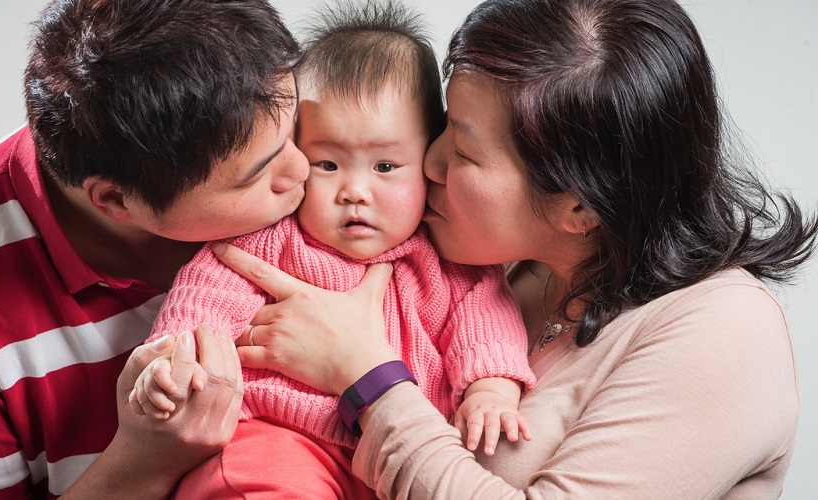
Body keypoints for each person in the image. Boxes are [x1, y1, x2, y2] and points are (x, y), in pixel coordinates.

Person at [205, 0, 818, 497]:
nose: (430, 164)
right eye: (439, 129)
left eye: (464, 153)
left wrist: (367, 376)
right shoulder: (496, 270)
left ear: (578, 206)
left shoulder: (724, 333)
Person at [0, 0, 306, 497]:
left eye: (298, 130)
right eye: (260, 174)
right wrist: (145, 460)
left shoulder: (334, 165)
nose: (307, 169)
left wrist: (367, 366)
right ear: (116, 200)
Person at [130, 2, 535, 496]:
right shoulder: (270, 239)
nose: (355, 191)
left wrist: (492, 389)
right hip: (279, 436)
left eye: (385, 167)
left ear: (429, 155)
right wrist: (175, 363)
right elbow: (206, 298)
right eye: (327, 164)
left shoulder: (450, 259)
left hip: (390, 455)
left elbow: (486, 325)